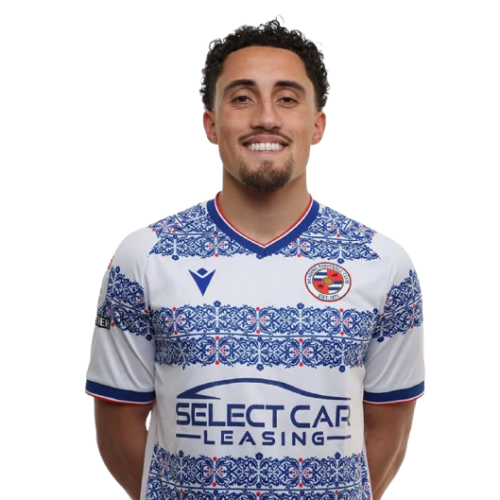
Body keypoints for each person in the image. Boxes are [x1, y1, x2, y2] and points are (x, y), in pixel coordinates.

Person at [85, 16, 425, 500]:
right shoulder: (145, 255)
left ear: (317, 124)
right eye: (242, 98)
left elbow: (388, 429)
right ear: (211, 123)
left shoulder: (382, 262)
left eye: (287, 98)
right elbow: (117, 427)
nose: (265, 117)